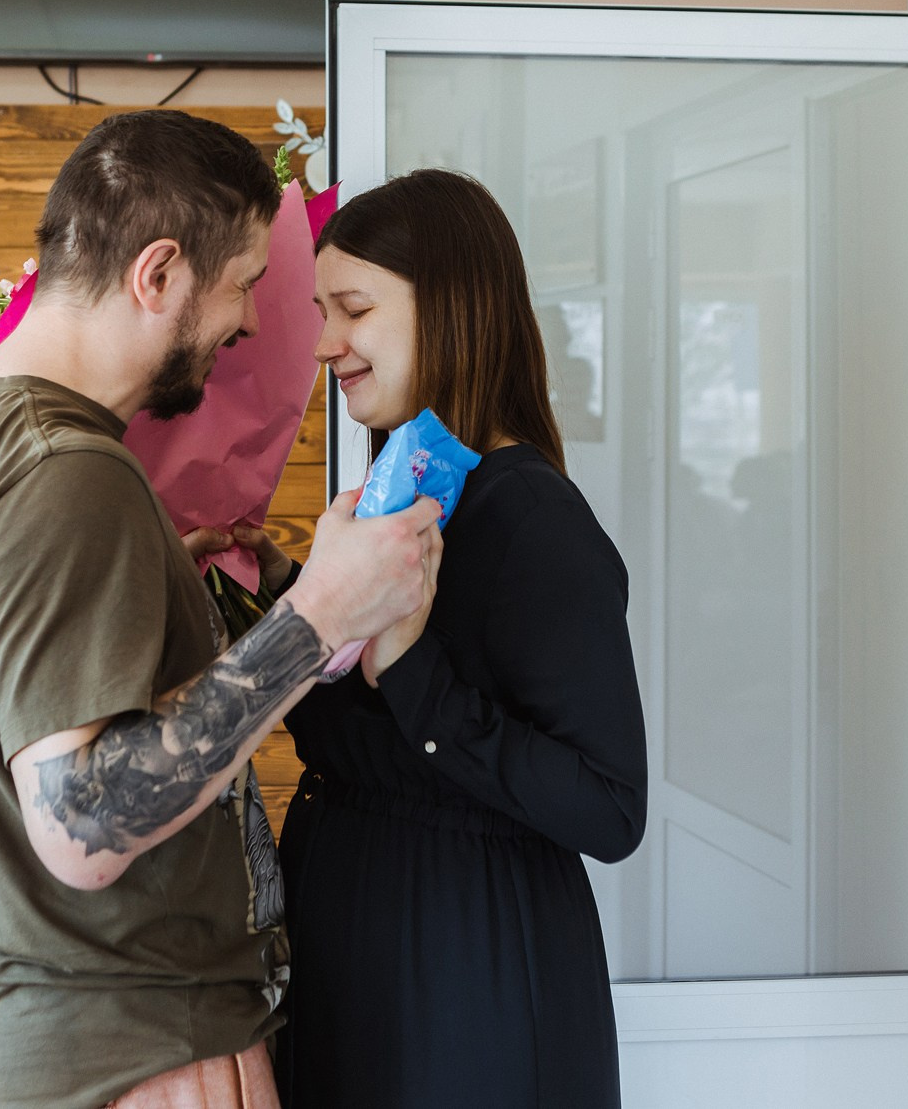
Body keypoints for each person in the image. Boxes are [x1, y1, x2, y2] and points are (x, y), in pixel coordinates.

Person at [0, 110, 444, 1109]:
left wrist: (148, 613)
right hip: (136, 1059)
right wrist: (322, 616)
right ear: (158, 274)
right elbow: (84, 826)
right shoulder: (71, 473)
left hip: (5, 1055)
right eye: (245, 284)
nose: (251, 324)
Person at [271, 167, 650, 1108]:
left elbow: (610, 808)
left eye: (352, 308)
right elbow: (354, 742)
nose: (326, 343)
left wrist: (408, 665)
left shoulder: (531, 518)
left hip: (461, 985)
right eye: (322, 311)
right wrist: (278, 598)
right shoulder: (398, 498)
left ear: (449, 309)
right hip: (362, 967)